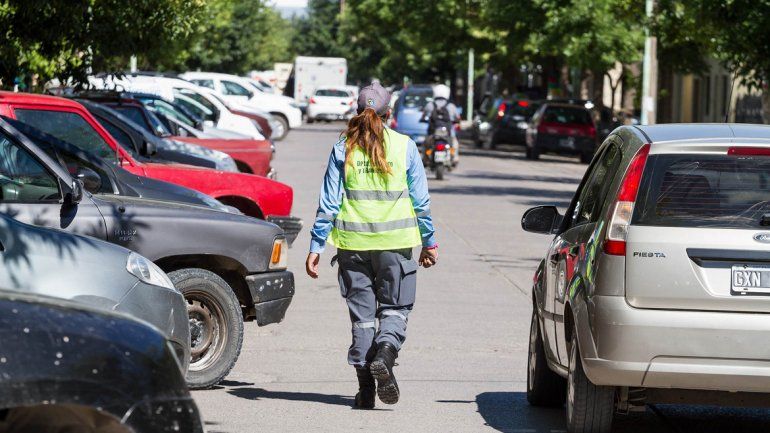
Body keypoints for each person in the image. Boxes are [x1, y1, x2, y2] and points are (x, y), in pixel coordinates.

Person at [306, 82, 438, 409]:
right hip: (395, 245)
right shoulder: (404, 146)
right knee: (395, 308)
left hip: (352, 245)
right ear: (389, 114)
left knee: (362, 318)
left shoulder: (342, 147)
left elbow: (328, 202)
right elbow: (421, 203)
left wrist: (316, 246)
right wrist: (429, 242)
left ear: (357, 112)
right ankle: (386, 353)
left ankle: (366, 392)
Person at [422, 84, 460, 166]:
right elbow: (457, 118)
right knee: (454, 145)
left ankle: (425, 158)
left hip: (432, 133)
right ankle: (454, 157)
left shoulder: (430, 105)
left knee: (426, 145)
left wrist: (423, 119)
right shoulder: (451, 106)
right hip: (448, 134)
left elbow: (424, 115)